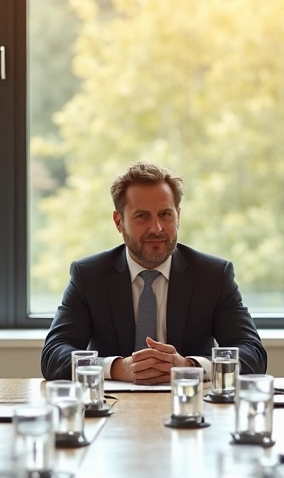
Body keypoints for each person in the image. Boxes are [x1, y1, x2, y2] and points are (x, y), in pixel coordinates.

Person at [40, 162, 266, 383]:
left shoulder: (213, 276)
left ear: (178, 216)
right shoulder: (89, 276)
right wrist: (117, 368)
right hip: (113, 409)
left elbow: (253, 354)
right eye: (142, 216)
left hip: (192, 406)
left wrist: (189, 367)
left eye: (166, 215)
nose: (156, 228)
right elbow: (54, 355)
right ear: (119, 222)